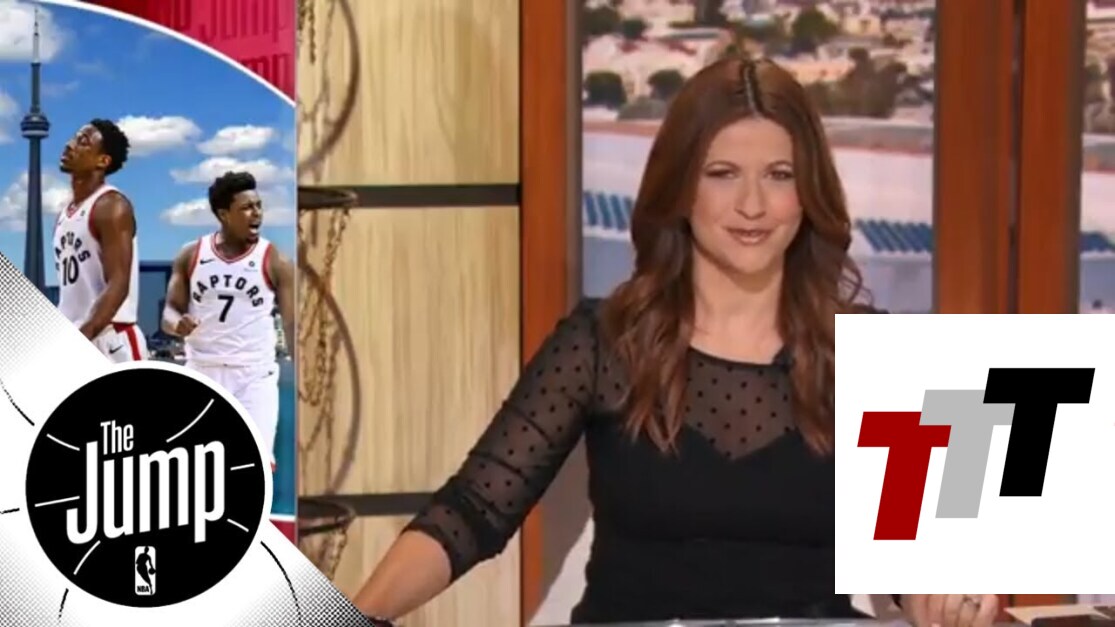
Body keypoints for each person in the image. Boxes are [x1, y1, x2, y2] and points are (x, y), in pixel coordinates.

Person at [350, 57, 1000, 627]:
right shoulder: (604, 342)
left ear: (808, 192)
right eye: (722, 173)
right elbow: (473, 510)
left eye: (778, 174)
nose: (752, 204)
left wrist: (943, 594)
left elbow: (915, 568)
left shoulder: (868, 353)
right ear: (681, 187)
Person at [160, 171, 295, 472]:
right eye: (246, 207)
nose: (256, 213)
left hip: (253, 375)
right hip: (202, 369)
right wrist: (177, 323)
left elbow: (292, 324)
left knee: (253, 467)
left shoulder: (276, 260)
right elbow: (169, 311)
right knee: (196, 468)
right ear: (224, 214)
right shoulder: (191, 255)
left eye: (258, 206)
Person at [53, 119, 146, 362]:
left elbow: (118, 284)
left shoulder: (111, 205)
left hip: (110, 337)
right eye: (74, 138)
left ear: (103, 161)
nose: (69, 145)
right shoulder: (64, 214)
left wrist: (83, 336)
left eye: (82, 142)